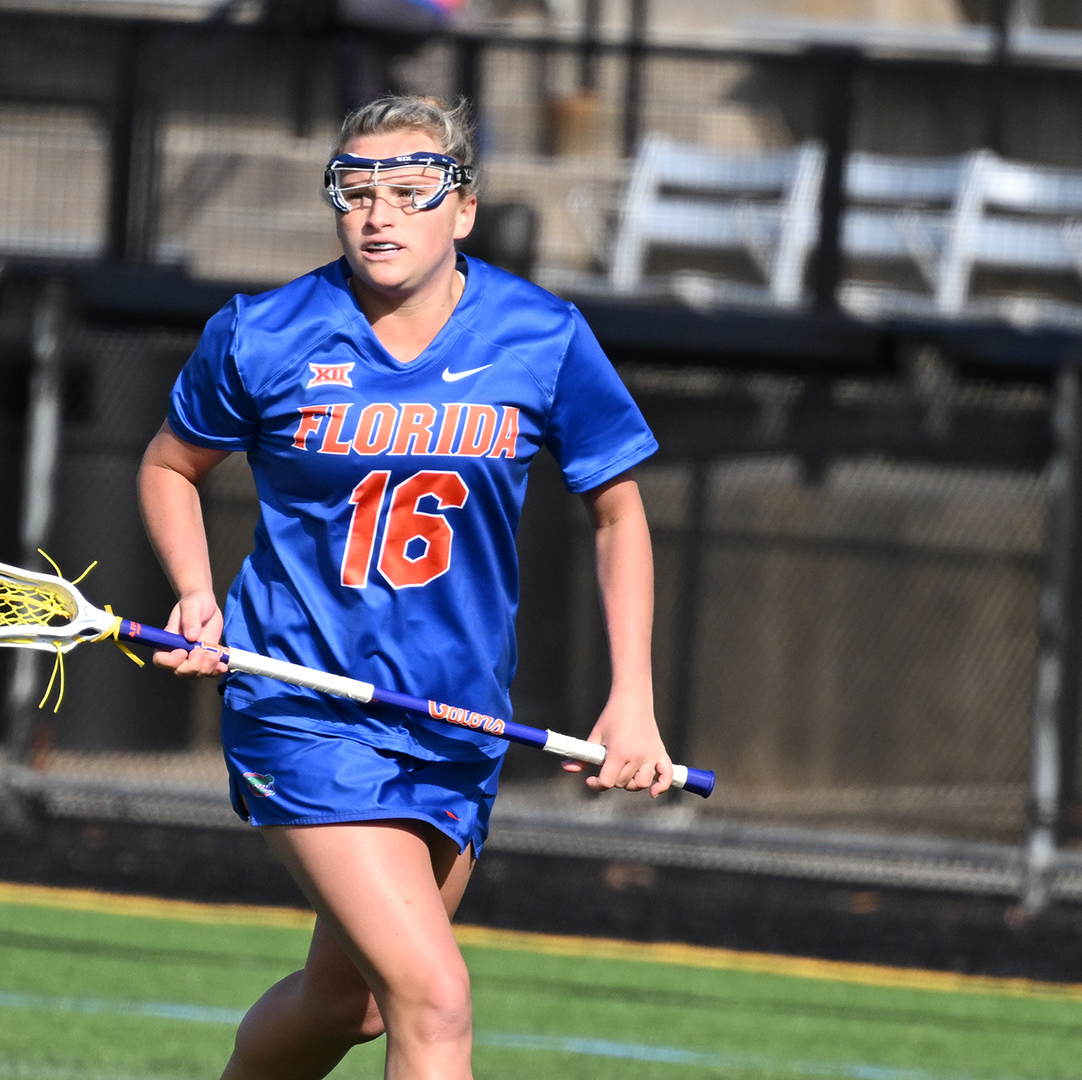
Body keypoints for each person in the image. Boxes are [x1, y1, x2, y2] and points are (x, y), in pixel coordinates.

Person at [136, 95, 671, 1080]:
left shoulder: (541, 336)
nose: (380, 214)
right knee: (435, 997)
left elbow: (617, 513)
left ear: (463, 209)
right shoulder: (264, 333)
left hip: (456, 720)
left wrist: (631, 699)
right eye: (356, 191)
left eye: (412, 191)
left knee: (353, 1007)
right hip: (303, 705)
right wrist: (196, 593)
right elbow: (171, 465)